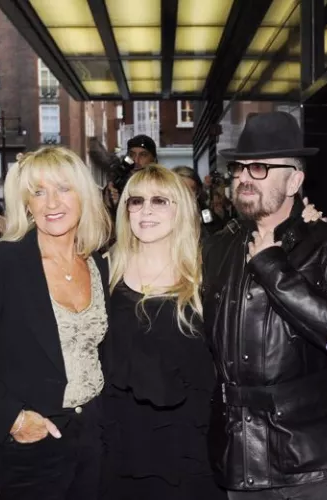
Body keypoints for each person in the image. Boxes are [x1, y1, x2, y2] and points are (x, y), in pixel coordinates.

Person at [203, 111, 327, 500]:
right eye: (239, 168)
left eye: (260, 168)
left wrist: (273, 268)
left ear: (295, 181)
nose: (244, 177)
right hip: (238, 462)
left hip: (310, 466)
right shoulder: (218, 246)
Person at [0, 146, 113, 500]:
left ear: (83, 195)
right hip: (33, 445)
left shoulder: (97, 263)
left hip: (96, 437)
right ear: (27, 203)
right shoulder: (1, 263)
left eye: (63, 189)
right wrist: (14, 420)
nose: (51, 203)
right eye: (38, 192)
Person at [101, 165, 226, 500]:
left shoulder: (208, 272)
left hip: (191, 442)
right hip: (120, 439)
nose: (146, 210)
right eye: (136, 201)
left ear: (180, 209)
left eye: (159, 201)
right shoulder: (103, 271)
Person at [104, 134, 158, 207]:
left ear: (153, 160)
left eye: (143, 155)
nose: (136, 160)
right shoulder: (119, 181)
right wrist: (111, 204)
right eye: (132, 154)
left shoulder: (161, 185)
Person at [173, 165, 225, 237]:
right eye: (180, 189)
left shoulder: (207, 218)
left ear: (198, 192)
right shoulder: (161, 218)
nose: (185, 195)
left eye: (191, 190)